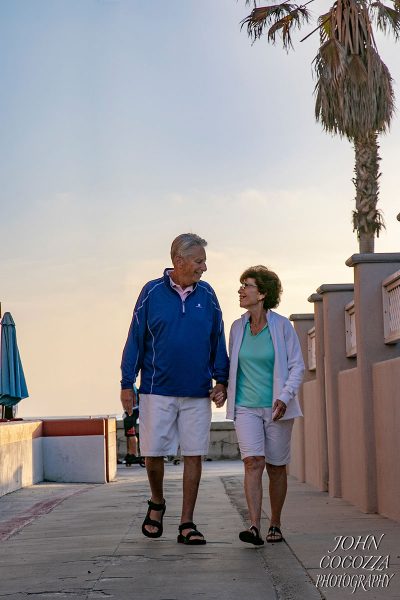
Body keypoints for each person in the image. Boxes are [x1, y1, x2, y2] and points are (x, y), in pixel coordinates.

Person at [120, 233, 229, 545]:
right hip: (156, 389)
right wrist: (127, 383)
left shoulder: (207, 295)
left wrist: (221, 380)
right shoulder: (151, 292)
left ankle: (187, 523)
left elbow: (217, 339)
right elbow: (135, 338)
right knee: (153, 453)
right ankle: (157, 501)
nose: (204, 268)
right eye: (199, 261)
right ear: (178, 262)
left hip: (197, 391)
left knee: (194, 454)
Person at [220, 265, 304, 545]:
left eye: (248, 285)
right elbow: (232, 366)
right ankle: (254, 525)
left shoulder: (281, 327)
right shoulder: (237, 327)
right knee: (252, 462)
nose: (241, 290)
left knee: (276, 467)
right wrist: (222, 387)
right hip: (245, 406)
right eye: (241, 285)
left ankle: (275, 524)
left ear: (263, 293)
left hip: (277, 408)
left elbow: (297, 367)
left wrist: (285, 396)